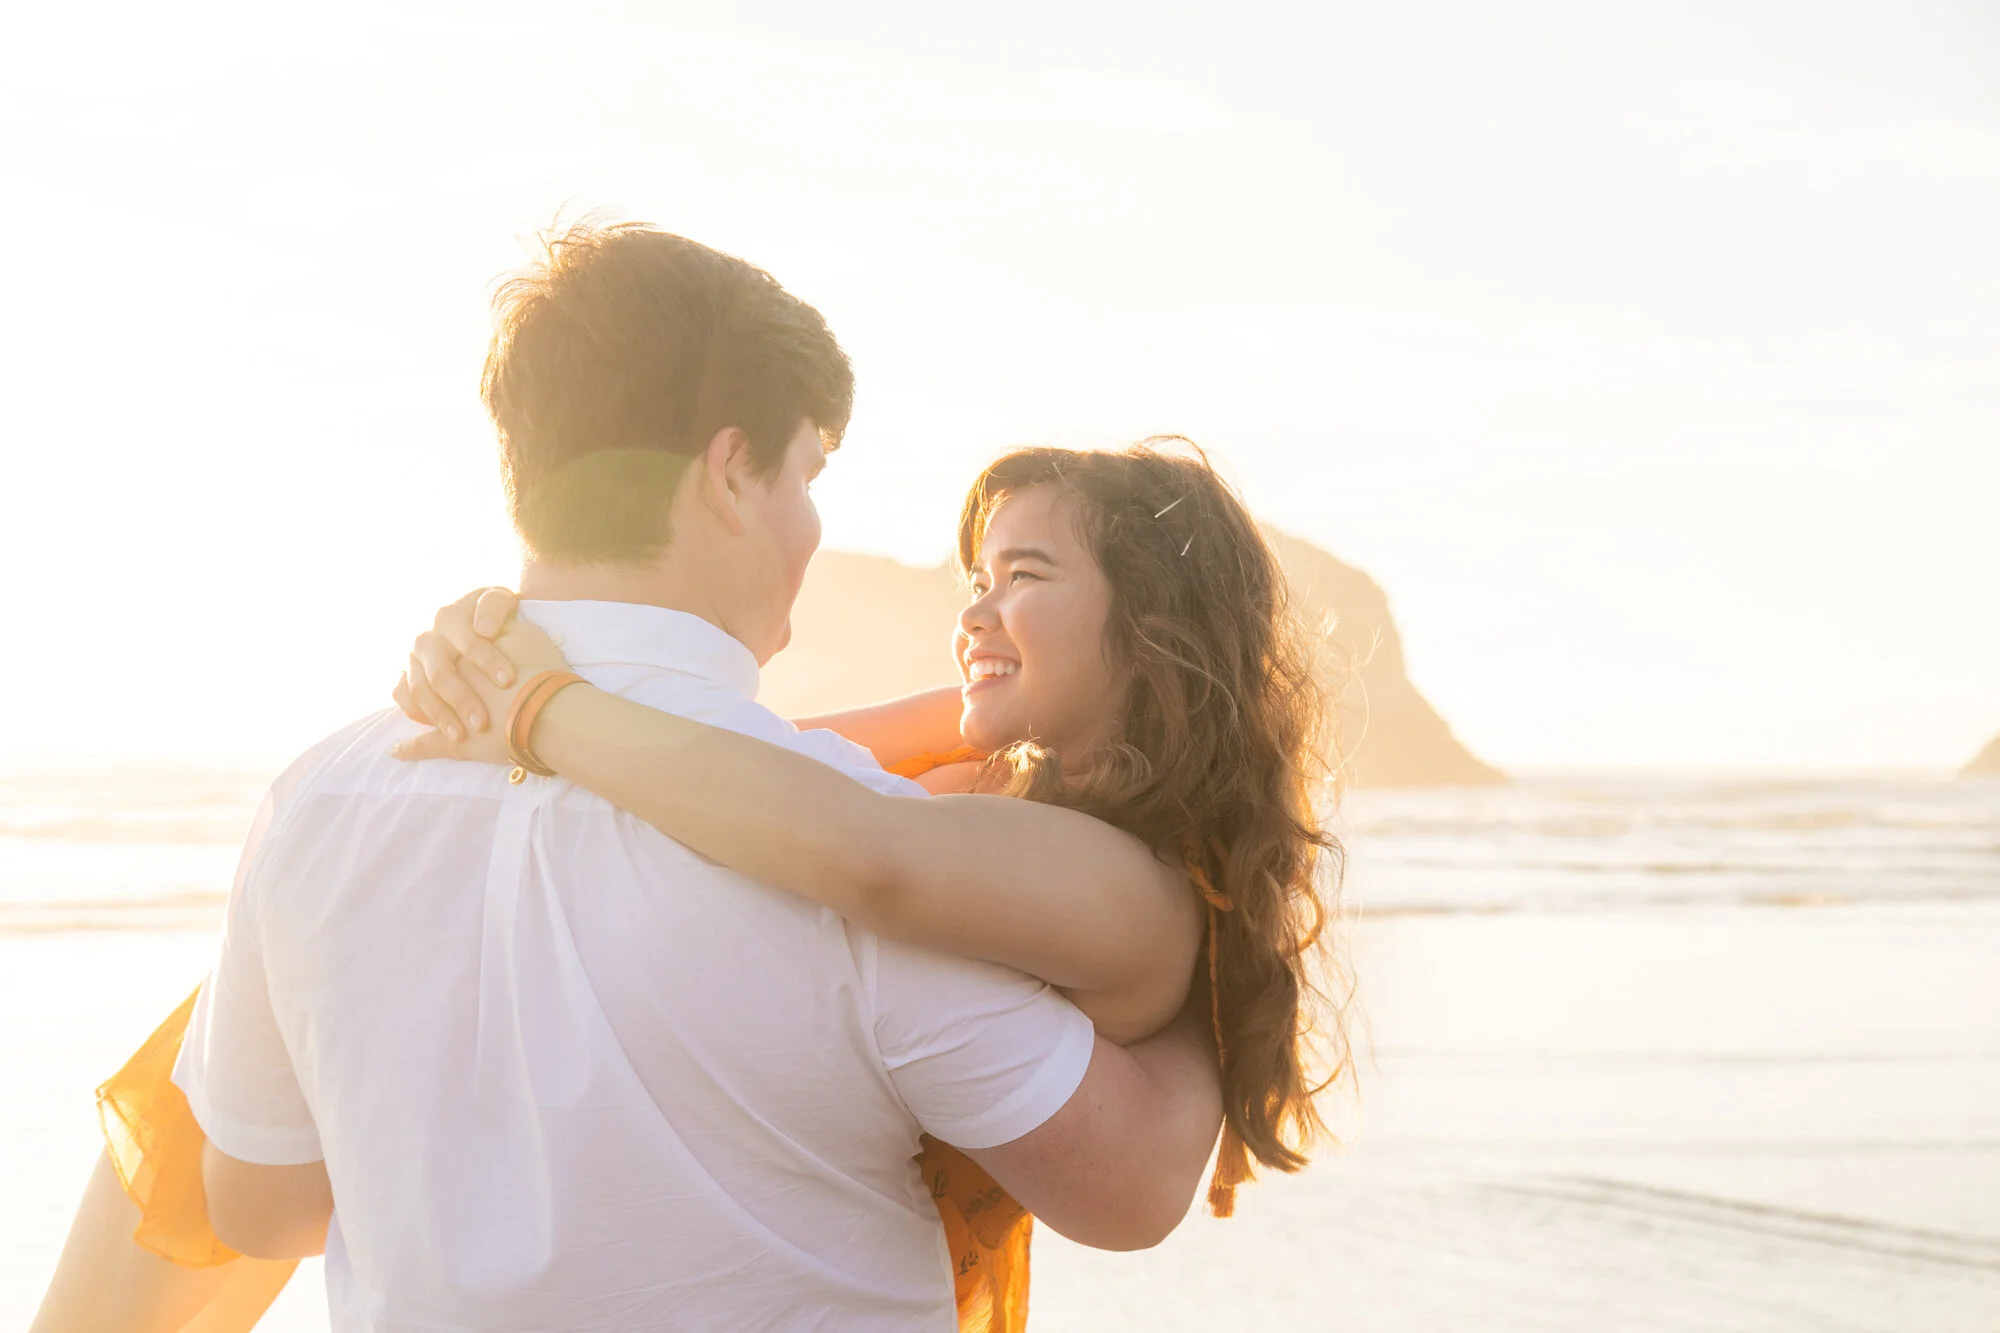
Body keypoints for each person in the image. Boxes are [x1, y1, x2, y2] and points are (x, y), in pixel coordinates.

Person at [32, 221, 1232, 1333]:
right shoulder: (847, 856)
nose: (810, 528)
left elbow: (260, 1210)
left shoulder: (319, 802)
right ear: (728, 473)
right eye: (804, 476)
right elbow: (1125, 1186)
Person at [388, 437, 1353, 1329]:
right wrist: (501, 661)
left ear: (1150, 629)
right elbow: (763, 762)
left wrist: (532, 704)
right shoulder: (1012, 787)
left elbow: (861, 848)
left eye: (1024, 576)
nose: (973, 612)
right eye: (976, 581)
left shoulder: (1125, 883)